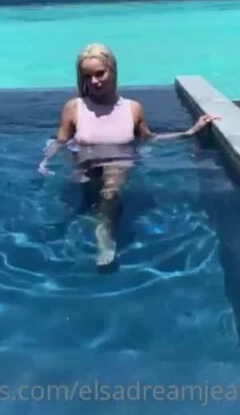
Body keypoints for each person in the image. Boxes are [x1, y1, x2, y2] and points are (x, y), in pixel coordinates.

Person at [38, 42, 220, 268]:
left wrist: (188, 132)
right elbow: (61, 141)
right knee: (89, 202)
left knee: (110, 193)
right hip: (85, 165)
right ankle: (100, 217)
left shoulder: (132, 108)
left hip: (120, 162)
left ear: (112, 70)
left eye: (99, 74)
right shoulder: (74, 107)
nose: (94, 81)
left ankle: (105, 241)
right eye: (87, 76)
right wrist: (45, 161)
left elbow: (149, 138)